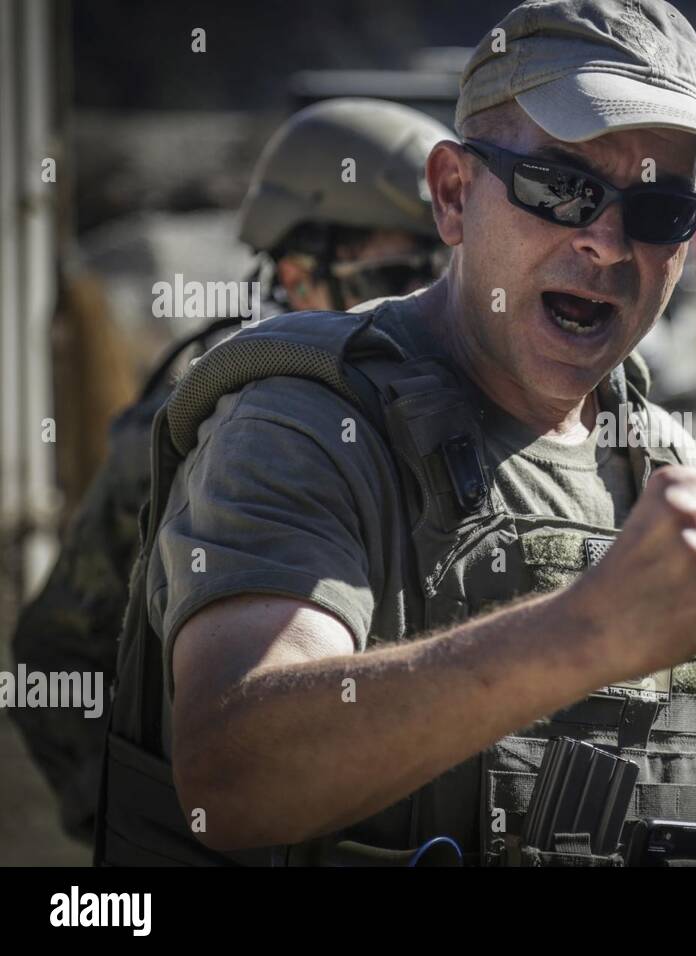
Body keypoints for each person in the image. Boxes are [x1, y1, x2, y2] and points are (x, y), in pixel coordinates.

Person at [96, 0, 696, 867]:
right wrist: (584, 630)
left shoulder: (658, 458)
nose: (606, 242)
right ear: (455, 195)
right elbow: (233, 777)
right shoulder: (308, 420)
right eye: (562, 187)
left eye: (659, 210)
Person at [11, 96, 452, 845]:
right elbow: (55, 660)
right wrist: (142, 825)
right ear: (296, 271)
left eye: (443, 268)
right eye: (400, 269)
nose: (425, 296)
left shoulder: (450, 408)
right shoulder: (205, 420)